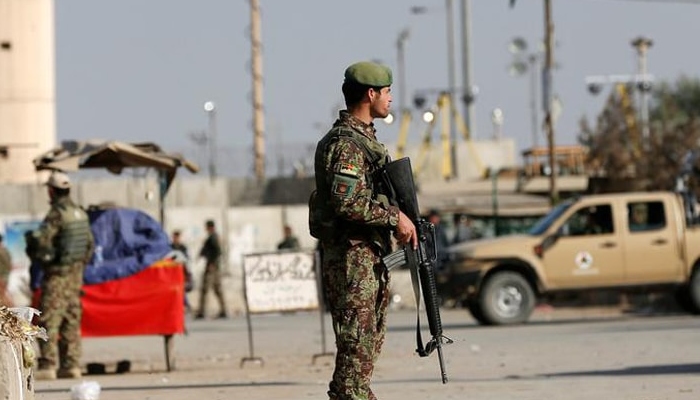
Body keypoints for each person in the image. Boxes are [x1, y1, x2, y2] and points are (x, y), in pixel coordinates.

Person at [310, 61, 417, 400]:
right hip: (351, 261)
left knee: (360, 355)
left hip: (366, 259)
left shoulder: (364, 141)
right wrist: (393, 218)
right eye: (386, 92)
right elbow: (348, 203)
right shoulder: (348, 146)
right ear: (370, 94)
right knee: (356, 353)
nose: (390, 98)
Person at [33, 171, 95, 380]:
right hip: (75, 277)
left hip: (57, 276)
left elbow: (43, 244)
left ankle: (48, 365)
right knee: (71, 320)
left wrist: (40, 255)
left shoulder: (56, 214)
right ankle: (71, 365)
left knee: (48, 320)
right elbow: (89, 246)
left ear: (51, 190)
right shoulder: (80, 213)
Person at [195, 220, 227, 319]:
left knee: (205, 289)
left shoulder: (213, 237)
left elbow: (217, 251)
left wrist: (212, 263)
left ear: (210, 227)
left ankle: (201, 311)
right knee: (217, 288)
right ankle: (223, 310)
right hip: (213, 266)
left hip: (212, 266)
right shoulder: (212, 237)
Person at [171, 230, 193, 307]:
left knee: (181, 288)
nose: (176, 239)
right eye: (174, 237)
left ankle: (185, 303)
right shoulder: (170, 247)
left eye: (177, 237)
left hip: (181, 271)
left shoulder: (183, 247)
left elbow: (186, 259)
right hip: (172, 271)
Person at [0, 233, 13, 306]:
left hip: (2, 277)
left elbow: (8, 265)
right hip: (4, 276)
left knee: (2, 296)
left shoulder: (2, 251)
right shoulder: (5, 250)